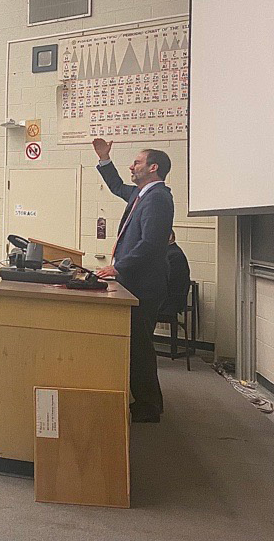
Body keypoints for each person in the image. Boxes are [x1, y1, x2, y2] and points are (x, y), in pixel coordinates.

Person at [92, 138, 175, 424]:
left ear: (153, 168)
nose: (132, 166)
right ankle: (144, 400)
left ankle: (150, 406)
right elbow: (116, 186)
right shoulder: (141, 195)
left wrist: (118, 268)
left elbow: (152, 244)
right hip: (136, 281)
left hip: (144, 284)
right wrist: (105, 159)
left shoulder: (158, 198)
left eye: (137, 162)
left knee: (139, 345)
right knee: (135, 343)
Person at [163, 232, 192, 315]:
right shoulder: (171, 252)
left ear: (169, 236)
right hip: (169, 298)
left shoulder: (174, 255)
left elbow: (171, 282)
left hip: (171, 301)